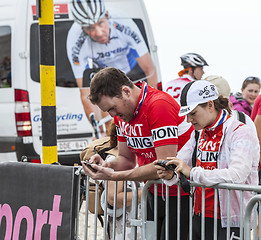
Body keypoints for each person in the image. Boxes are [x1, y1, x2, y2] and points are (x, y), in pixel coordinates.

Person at [81, 67, 194, 240]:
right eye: (107, 111)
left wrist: (114, 176)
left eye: (112, 108)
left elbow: (164, 165)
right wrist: (106, 164)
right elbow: (126, 159)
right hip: (154, 194)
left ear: (126, 91)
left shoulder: (158, 105)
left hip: (182, 194)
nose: (112, 115)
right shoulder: (121, 115)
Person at [155, 80, 259, 240]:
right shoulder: (197, 133)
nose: (189, 120)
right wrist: (170, 174)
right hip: (199, 215)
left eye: (193, 113)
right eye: (187, 114)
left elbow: (237, 175)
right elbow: (180, 163)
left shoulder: (240, 131)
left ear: (210, 105)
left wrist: (192, 173)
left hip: (231, 220)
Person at [67, 0, 158, 132]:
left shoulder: (123, 23)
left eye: (100, 23)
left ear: (107, 15)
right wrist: (100, 131)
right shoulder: (75, 39)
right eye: (90, 28)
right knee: (108, 113)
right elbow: (85, 92)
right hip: (104, 75)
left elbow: (150, 70)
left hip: (131, 70)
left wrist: (152, 109)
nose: (98, 32)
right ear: (81, 27)